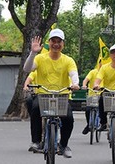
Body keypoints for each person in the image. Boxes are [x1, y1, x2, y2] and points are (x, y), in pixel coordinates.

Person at [23, 28, 80, 158]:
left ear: (63, 44)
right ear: (49, 43)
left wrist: (75, 84)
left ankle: (63, 145)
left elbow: (73, 74)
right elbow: (27, 68)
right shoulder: (40, 58)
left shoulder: (68, 60)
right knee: (35, 109)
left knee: (69, 118)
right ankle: (36, 141)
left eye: (59, 41)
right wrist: (33, 53)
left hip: (62, 95)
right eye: (53, 41)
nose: (56, 44)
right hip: (43, 95)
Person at [81, 63, 101, 135]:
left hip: (102, 95)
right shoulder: (93, 72)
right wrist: (84, 85)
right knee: (88, 110)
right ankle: (89, 125)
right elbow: (86, 80)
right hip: (92, 95)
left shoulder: (107, 71)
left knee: (102, 110)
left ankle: (103, 123)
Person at [23, 70, 41, 151]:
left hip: (54, 95)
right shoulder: (35, 71)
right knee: (30, 102)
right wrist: (26, 86)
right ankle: (35, 141)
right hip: (39, 95)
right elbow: (28, 79)